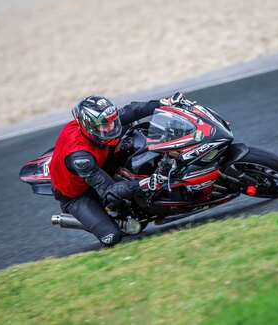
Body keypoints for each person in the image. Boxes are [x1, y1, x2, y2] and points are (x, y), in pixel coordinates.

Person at [50, 93, 190, 247]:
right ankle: (91, 220)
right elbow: (110, 191)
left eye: (112, 122)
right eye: (105, 126)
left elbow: (133, 110)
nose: (111, 128)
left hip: (99, 158)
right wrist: (145, 183)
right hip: (77, 194)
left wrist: (165, 102)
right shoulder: (81, 158)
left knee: (131, 127)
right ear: (89, 127)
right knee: (112, 236)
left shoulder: (101, 125)